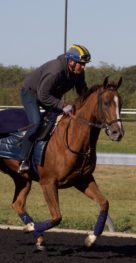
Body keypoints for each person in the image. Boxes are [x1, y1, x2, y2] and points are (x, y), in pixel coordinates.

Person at [18, 44, 91, 172]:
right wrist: (62, 105)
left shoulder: (79, 72)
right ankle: (24, 159)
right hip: (31, 94)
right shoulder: (55, 70)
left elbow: (83, 92)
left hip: (49, 95)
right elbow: (43, 95)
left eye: (85, 64)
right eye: (81, 63)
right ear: (72, 62)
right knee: (36, 123)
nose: (84, 66)